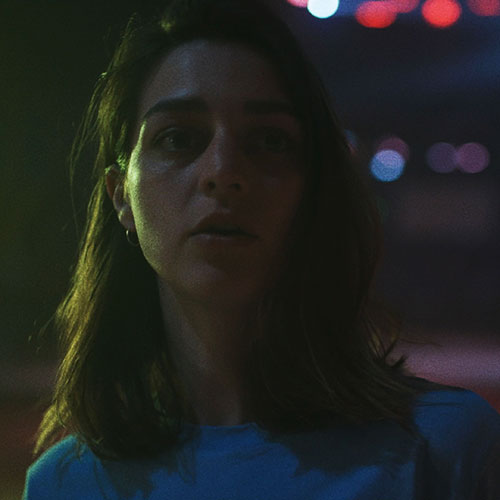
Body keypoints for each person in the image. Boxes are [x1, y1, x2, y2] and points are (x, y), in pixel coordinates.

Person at [22, 0, 500, 498]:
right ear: (121, 194)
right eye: (178, 138)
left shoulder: (448, 451)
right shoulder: (64, 484)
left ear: (312, 190)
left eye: (269, 141)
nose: (223, 171)